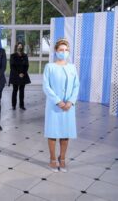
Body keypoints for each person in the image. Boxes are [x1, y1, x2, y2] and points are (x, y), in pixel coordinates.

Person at [43, 39, 80, 172]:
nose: (64, 52)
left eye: (66, 50)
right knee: (52, 132)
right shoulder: (49, 67)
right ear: (56, 51)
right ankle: (53, 159)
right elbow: (46, 86)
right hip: (54, 106)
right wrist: (58, 101)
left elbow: (76, 85)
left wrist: (70, 101)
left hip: (69, 107)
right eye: (61, 50)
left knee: (65, 133)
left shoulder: (72, 67)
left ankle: (62, 158)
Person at [9, 42, 30, 110]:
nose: (20, 47)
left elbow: (27, 65)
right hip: (15, 75)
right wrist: (18, 74)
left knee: (22, 91)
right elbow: (12, 66)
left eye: (21, 46)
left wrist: (23, 73)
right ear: (16, 47)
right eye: (19, 46)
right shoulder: (13, 55)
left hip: (23, 75)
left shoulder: (25, 55)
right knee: (15, 90)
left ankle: (21, 105)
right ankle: (13, 105)